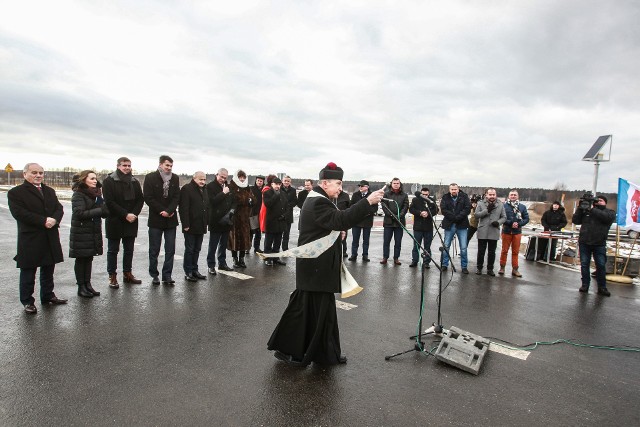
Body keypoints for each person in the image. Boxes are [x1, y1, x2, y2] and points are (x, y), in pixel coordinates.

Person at [267, 162, 385, 366]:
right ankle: (301, 351)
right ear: (324, 183)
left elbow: (326, 224)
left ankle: (322, 353)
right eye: (338, 183)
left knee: (318, 313)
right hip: (316, 267)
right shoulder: (318, 201)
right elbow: (340, 219)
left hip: (316, 267)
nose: (340, 188)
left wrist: (335, 231)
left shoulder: (320, 199)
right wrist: (367, 203)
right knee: (312, 313)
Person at [8, 163, 67, 314]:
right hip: (31, 237)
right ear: (25, 174)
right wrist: (43, 221)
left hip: (50, 235)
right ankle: (27, 301)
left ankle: (48, 296)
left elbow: (58, 208)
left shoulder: (49, 190)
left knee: (48, 268)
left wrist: (54, 219)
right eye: (34, 172)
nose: (38, 175)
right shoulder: (16, 192)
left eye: (41, 172)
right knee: (28, 271)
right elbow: (19, 213)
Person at [102, 156, 144, 289]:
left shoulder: (134, 181)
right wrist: (125, 214)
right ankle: (112, 276)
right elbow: (109, 201)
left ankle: (127, 274)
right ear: (118, 166)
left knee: (129, 250)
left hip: (131, 220)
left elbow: (140, 200)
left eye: (129, 165)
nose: (127, 168)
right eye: (124, 165)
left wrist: (134, 214)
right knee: (113, 250)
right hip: (115, 220)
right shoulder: (109, 181)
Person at [69, 170, 109, 297]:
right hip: (81, 231)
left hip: (93, 230)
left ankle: (88, 285)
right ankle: (81, 287)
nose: (95, 181)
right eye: (92, 178)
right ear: (84, 180)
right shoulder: (78, 194)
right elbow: (79, 213)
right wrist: (99, 210)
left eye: (95, 178)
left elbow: (103, 211)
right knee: (82, 259)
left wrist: (105, 210)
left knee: (89, 258)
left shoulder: (97, 194)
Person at [144, 155, 180, 285]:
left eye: (171, 166)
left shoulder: (175, 178)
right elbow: (148, 197)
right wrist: (161, 211)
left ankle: (167, 275)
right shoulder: (150, 177)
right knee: (154, 249)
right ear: (160, 165)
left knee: (170, 249)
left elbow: (177, 196)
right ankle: (154, 274)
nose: (169, 168)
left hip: (170, 219)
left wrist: (169, 211)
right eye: (167, 165)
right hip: (156, 219)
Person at [572, 195, 616, 296]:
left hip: (599, 243)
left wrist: (591, 209)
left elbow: (607, 218)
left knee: (600, 265)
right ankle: (585, 285)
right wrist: (580, 208)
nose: (599, 202)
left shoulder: (609, 212)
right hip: (585, 242)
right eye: (597, 200)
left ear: (605, 202)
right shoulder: (586, 211)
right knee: (584, 264)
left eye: (601, 201)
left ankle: (602, 287)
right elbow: (575, 221)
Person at [179, 171, 209, 282]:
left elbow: (206, 206)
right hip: (190, 225)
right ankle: (188, 272)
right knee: (190, 249)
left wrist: (206, 222)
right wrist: (185, 224)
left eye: (204, 179)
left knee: (197, 249)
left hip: (201, 225)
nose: (202, 181)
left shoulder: (204, 189)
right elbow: (183, 208)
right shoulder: (187, 189)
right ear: (194, 178)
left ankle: (195, 270)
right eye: (200, 179)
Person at [206, 168, 236, 273]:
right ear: (216, 175)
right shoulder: (209, 187)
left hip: (227, 220)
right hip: (216, 220)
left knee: (223, 244)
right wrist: (223, 193)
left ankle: (222, 263)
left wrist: (232, 211)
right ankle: (211, 265)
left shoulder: (229, 187)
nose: (223, 179)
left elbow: (233, 200)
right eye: (221, 177)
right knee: (213, 244)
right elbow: (212, 202)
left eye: (225, 177)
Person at [440, 183, 472, 274]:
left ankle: (464, 266)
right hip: (449, 225)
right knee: (446, 246)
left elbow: (467, 209)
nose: (454, 191)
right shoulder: (445, 197)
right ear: (449, 190)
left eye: (455, 189)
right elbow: (443, 209)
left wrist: (458, 217)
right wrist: (453, 217)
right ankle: (444, 264)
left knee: (463, 247)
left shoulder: (464, 197)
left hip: (461, 224)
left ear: (458, 189)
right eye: (452, 189)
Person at [474, 188, 506, 276]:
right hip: (483, 231)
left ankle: (490, 269)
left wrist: (498, 223)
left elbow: (504, 217)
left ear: (496, 195)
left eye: (493, 194)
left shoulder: (500, 204)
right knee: (481, 251)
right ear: (486, 195)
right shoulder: (480, 203)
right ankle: (479, 268)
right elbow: (476, 215)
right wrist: (486, 211)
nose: (492, 196)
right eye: (490, 194)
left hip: (494, 230)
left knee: (492, 252)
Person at [499, 189, 529, 277]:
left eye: (514, 195)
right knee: (504, 250)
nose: (513, 196)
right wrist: (510, 223)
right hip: (507, 231)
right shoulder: (504, 206)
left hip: (517, 232)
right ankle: (502, 268)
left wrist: (519, 224)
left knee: (515, 252)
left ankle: (515, 269)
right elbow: (502, 217)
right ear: (509, 196)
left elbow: (526, 218)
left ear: (517, 196)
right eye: (511, 195)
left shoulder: (522, 207)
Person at [380, 178, 409, 265]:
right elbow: (384, 205)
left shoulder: (404, 195)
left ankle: (396, 258)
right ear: (391, 184)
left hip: (399, 222)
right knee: (386, 241)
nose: (396, 184)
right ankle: (385, 257)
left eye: (397, 183)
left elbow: (406, 206)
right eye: (394, 183)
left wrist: (399, 215)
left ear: (400, 184)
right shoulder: (386, 194)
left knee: (398, 242)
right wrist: (392, 215)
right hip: (388, 222)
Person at [348, 180, 377, 262]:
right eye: (359, 186)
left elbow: (375, 208)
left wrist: (366, 212)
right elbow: (351, 206)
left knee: (366, 240)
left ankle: (365, 255)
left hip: (367, 221)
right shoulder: (355, 195)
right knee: (355, 240)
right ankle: (354, 255)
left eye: (362, 186)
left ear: (367, 187)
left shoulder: (372, 195)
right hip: (356, 221)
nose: (360, 187)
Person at [228, 170, 252, 268]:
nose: (242, 179)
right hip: (234, 218)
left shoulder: (247, 187)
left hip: (245, 218)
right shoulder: (231, 186)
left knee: (244, 239)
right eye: (240, 177)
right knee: (234, 239)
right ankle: (235, 259)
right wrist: (245, 199)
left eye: (243, 177)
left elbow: (253, 199)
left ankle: (241, 259)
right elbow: (234, 200)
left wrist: (250, 200)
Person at [408, 187, 437, 268]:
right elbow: (411, 209)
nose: (425, 196)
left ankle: (426, 262)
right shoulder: (415, 200)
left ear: (429, 194)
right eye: (423, 195)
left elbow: (436, 210)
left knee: (427, 246)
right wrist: (420, 213)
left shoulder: (431, 201)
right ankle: (415, 261)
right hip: (418, 227)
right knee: (416, 245)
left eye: (426, 195)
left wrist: (428, 213)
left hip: (428, 227)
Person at [262, 176, 287, 266]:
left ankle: (275, 258)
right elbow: (268, 204)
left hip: (280, 221)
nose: (278, 186)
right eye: (276, 184)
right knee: (269, 242)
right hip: (271, 222)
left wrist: (284, 215)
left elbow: (286, 206)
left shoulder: (283, 193)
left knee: (277, 242)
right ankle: (267, 258)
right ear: (272, 184)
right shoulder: (267, 193)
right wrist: (275, 196)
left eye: (279, 184)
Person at [280, 175, 298, 251]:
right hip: (280, 213)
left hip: (289, 214)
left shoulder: (293, 190)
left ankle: (285, 248)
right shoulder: (279, 189)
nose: (286, 182)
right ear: (282, 181)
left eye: (288, 181)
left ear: (290, 182)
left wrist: (289, 205)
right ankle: (276, 248)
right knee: (278, 233)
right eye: (285, 181)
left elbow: (295, 201)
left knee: (286, 233)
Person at [249, 175, 265, 253]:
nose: (259, 182)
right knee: (251, 232)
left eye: (261, 181)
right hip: (252, 213)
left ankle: (256, 247)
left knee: (258, 233)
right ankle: (247, 248)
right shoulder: (251, 189)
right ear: (256, 181)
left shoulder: (264, 190)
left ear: (263, 182)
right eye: (258, 180)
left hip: (261, 214)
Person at [336, 188, 351, 257]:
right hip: (333, 218)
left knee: (343, 237)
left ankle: (344, 251)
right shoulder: (332, 194)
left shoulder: (345, 196)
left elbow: (349, 207)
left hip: (343, 219)